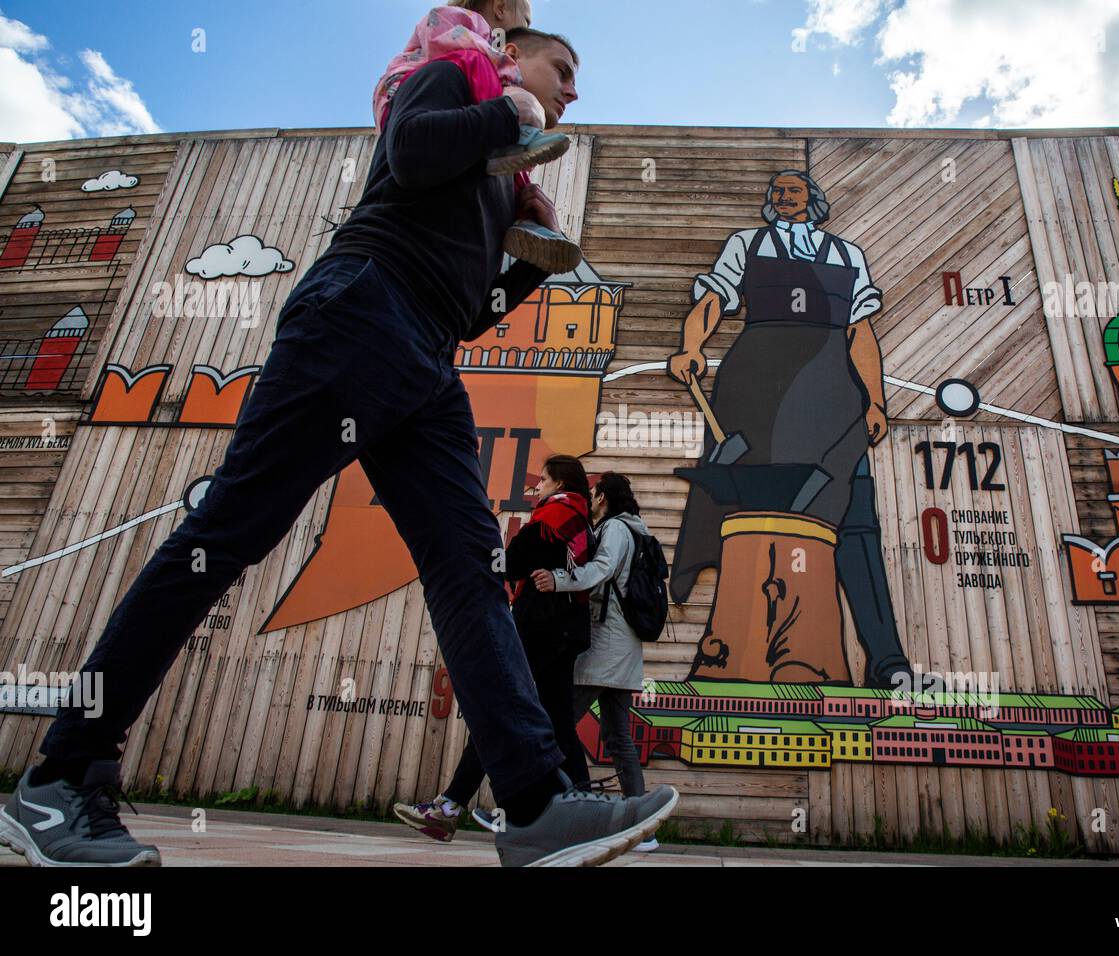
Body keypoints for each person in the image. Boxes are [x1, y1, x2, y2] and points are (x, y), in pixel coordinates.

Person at [0, 27, 675, 869]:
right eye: (561, 73)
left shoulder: (503, 180)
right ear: (508, 58)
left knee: (469, 566)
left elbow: (467, 311)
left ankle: (535, 803)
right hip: (359, 311)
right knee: (226, 537)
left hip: (427, 362)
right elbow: (415, 152)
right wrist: (505, 111)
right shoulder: (449, 84)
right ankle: (62, 779)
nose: (572, 92)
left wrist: (532, 260)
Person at [666, 169, 916, 690]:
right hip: (754, 389)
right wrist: (692, 346)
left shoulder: (847, 255)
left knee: (855, 518)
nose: (783, 197)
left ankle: (888, 662)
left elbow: (859, 331)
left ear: (813, 201)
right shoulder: (745, 244)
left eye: (793, 190)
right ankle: (745, 649)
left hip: (830, 393)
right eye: (777, 191)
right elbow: (712, 303)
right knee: (743, 511)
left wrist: (875, 400)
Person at [395, 455, 596, 841]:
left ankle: (450, 805)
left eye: (543, 481)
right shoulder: (580, 520)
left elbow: (511, 561)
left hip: (539, 629)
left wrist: (475, 552)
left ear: (558, 484)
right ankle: (582, 812)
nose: (537, 487)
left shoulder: (553, 519)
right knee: (555, 721)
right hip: (566, 633)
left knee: (501, 710)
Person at [373, 1, 581, 272]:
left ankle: (529, 224)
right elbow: (408, 153)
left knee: (518, 175)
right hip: (373, 290)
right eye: (526, 22)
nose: (572, 94)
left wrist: (541, 262)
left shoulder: (486, 150)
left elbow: (477, 305)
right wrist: (509, 107)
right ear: (500, 7)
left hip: (437, 312)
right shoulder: (464, 55)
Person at [532, 472, 659, 852]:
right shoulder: (639, 530)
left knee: (556, 726)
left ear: (602, 496)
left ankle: (555, 815)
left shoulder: (617, 530)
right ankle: (642, 830)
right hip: (624, 650)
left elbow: (601, 570)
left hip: (605, 647)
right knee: (619, 738)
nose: (590, 498)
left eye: (593, 493)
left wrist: (558, 579)